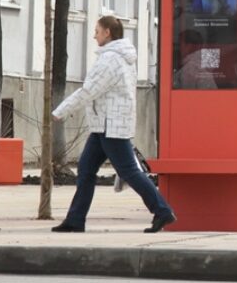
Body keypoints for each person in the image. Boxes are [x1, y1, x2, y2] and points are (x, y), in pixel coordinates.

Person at [50, 15, 176, 234]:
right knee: (86, 169)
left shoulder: (111, 59)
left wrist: (60, 111)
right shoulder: (119, 56)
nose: (94, 35)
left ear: (107, 32)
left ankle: (162, 210)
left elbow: (90, 90)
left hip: (111, 125)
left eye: (97, 31)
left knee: (129, 171)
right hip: (104, 124)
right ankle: (75, 219)